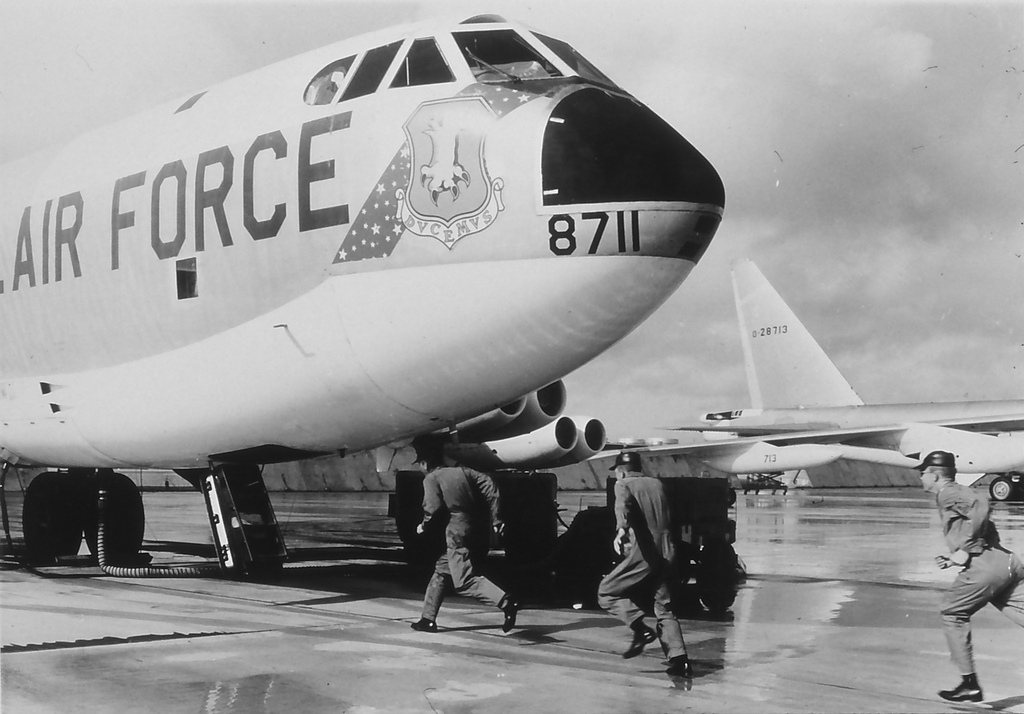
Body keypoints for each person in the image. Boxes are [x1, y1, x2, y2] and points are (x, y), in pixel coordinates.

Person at [916, 450, 1024, 703]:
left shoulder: (949, 492)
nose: (920, 477)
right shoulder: (952, 494)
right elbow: (978, 521)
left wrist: (966, 550)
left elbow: (980, 505)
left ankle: (969, 684)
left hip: (986, 569)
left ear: (934, 475)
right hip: (1006, 563)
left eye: (923, 473)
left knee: (952, 613)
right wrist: (956, 554)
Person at [408, 437, 520, 634]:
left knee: (464, 582)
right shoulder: (465, 471)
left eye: (420, 465)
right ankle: (428, 619)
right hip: (476, 527)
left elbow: (432, 508)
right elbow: (491, 488)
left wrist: (423, 526)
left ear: (425, 463)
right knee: (442, 571)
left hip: (457, 530)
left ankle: (505, 601)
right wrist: (496, 520)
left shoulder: (431, 478)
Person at [597, 451, 692, 678]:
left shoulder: (623, 484)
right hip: (669, 549)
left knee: (606, 592)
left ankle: (640, 629)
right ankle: (680, 661)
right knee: (665, 608)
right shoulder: (657, 483)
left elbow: (623, 507)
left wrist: (620, 530)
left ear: (621, 469)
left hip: (647, 549)